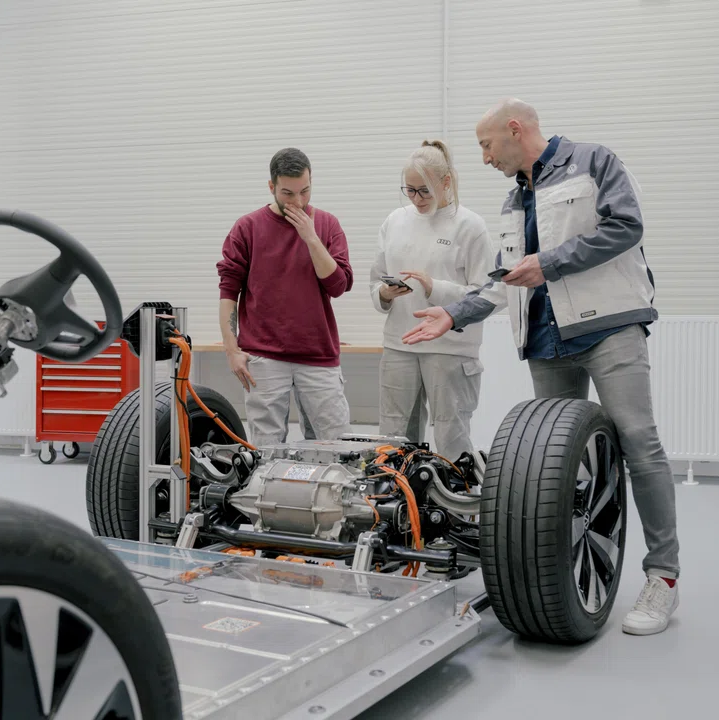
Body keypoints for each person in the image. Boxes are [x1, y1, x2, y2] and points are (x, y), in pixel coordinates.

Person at [402, 98, 680, 637]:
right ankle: (557, 577)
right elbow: (506, 278)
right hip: (547, 341)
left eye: (486, 145)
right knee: (558, 468)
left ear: (514, 130)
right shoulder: (513, 201)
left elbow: (627, 226)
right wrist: (454, 313)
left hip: (610, 328)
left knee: (639, 445)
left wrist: (549, 263)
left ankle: (663, 577)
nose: (482, 158)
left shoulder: (594, 162)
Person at [216, 147, 353, 446]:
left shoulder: (327, 224)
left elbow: (338, 286)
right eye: (288, 194)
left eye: (305, 191)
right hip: (263, 357)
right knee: (266, 450)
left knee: (336, 446)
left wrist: (311, 237)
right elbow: (229, 290)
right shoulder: (247, 227)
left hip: (318, 356)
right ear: (271, 187)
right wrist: (231, 349)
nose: (298, 202)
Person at [369, 139, 495, 461]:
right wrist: (384, 293)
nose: (416, 199)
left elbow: (488, 292)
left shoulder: (471, 226)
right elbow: (375, 283)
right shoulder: (394, 221)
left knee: (451, 437)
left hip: (450, 350)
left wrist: (435, 287)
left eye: (424, 190)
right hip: (400, 344)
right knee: (394, 438)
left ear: (446, 182)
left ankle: (456, 510)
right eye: (409, 190)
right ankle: (397, 508)